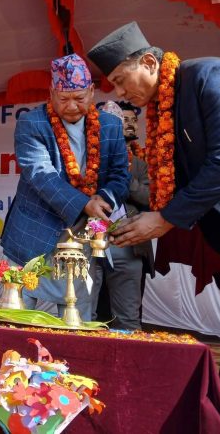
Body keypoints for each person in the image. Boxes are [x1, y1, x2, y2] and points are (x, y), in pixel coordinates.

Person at [88, 21, 220, 432]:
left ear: (149, 62)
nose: (118, 92)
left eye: (120, 79)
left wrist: (164, 219)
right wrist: (149, 216)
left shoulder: (211, 76)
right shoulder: (166, 105)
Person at [0, 54, 130, 320]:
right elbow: (40, 174)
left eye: (79, 98)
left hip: (80, 240)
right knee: (15, 318)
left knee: (76, 319)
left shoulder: (111, 126)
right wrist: (85, 204)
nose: (71, 106)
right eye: (63, 98)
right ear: (51, 92)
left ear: (92, 91)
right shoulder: (32, 123)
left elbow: (120, 175)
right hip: (32, 235)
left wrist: (104, 198)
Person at [94, 100, 153, 330]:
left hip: (127, 243)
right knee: (86, 313)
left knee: (128, 318)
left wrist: (124, 175)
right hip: (91, 241)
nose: (127, 125)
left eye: (131, 120)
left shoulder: (139, 164)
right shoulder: (88, 159)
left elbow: (150, 199)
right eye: (120, 121)